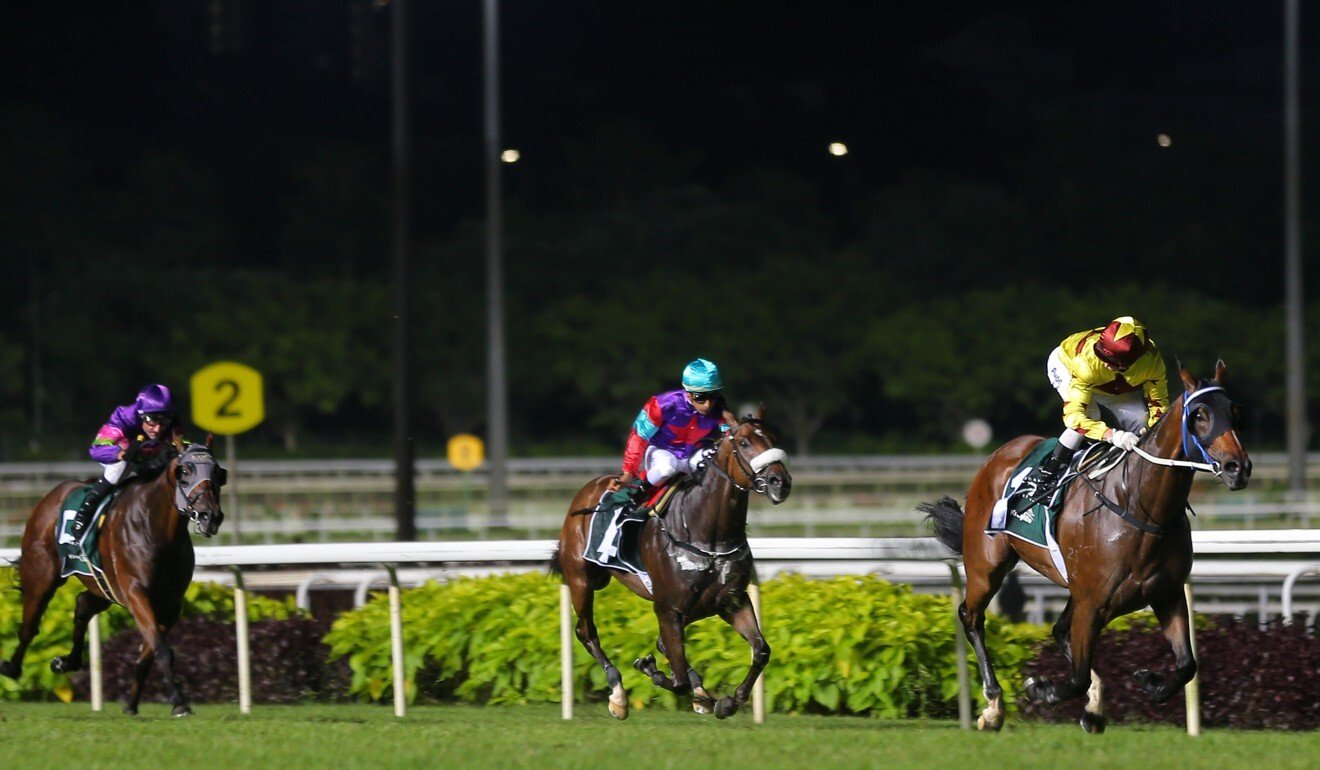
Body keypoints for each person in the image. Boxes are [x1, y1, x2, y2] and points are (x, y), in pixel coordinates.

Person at [1015, 316, 1170, 506]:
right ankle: (1047, 475)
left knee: (1141, 419)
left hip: (1113, 382)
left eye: (1110, 360)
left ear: (1133, 361)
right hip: (1068, 366)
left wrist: (1152, 429)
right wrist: (1112, 435)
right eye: (1102, 355)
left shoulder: (1153, 364)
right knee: (1091, 415)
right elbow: (1074, 418)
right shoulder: (1088, 362)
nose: (1104, 362)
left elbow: (1159, 405)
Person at [606, 358, 738, 509]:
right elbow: (639, 436)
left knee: (717, 466)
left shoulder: (719, 408)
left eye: (712, 396)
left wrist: (733, 426)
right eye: (700, 397)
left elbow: (730, 436)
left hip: (693, 455)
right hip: (661, 452)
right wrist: (629, 472)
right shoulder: (662, 404)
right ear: (688, 393)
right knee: (668, 467)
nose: (708, 404)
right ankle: (639, 492)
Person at [67, 384, 185, 541]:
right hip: (121, 455)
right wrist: (121, 454)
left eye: (164, 422)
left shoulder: (172, 423)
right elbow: (96, 449)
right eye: (151, 421)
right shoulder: (123, 417)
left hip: (149, 455)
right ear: (141, 414)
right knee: (119, 470)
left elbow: (185, 448)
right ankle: (83, 517)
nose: (157, 429)